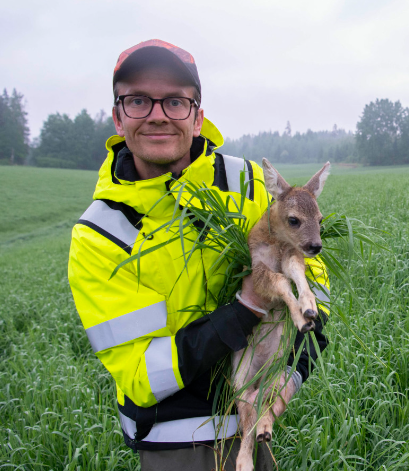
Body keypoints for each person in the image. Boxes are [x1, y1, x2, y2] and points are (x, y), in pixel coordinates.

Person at [68, 39, 330, 471]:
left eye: (174, 100)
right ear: (118, 117)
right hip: (176, 445)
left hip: (255, 426)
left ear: (198, 116)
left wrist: (289, 379)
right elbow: (140, 374)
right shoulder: (99, 234)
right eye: (137, 100)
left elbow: (313, 286)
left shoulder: (248, 183)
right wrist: (247, 306)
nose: (157, 114)